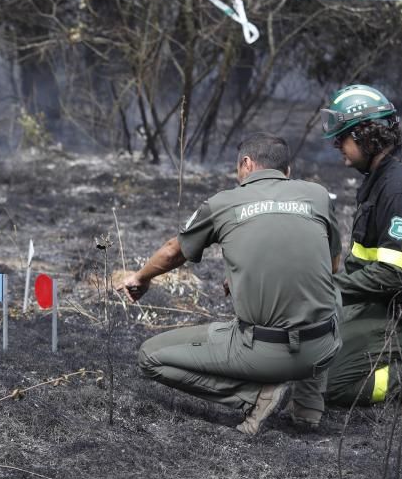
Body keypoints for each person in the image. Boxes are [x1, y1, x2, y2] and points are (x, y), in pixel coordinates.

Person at [122, 133, 342, 435]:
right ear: (287, 171)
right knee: (327, 295)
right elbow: (331, 266)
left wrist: (140, 277)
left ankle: (254, 397)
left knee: (150, 357)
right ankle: (307, 408)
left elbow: (175, 251)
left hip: (263, 353)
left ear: (247, 164)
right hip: (323, 348)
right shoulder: (318, 196)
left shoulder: (223, 203)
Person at [297, 84, 402, 426]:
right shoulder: (382, 173)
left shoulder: (399, 188)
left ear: (367, 136)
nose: (336, 145)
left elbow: (395, 275)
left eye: (343, 136)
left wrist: (328, 287)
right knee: (309, 356)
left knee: (329, 384)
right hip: (383, 299)